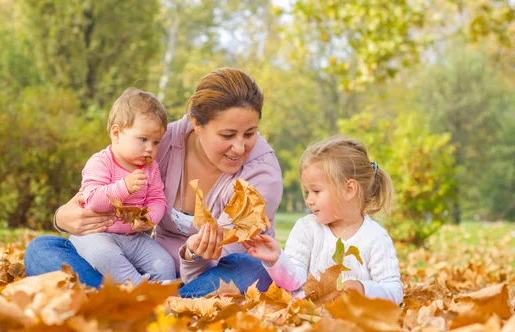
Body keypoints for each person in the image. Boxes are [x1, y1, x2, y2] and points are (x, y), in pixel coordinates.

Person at [24, 68, 283, 297]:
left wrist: (191, 255)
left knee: (250, 270)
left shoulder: (262, 175)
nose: (239, 147)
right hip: (140, 269)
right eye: (227, 135)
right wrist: (62, 217)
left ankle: (126, 302)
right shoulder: (159, 142)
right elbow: (98, 186)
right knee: (42, 249)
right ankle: (138, 301)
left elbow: (226, 253)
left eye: (250, 133)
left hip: (208, 276)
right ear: (197, 124)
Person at [242, 136, 403, 304]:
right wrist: (276, 259)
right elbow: (293, 282)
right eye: (307, 192)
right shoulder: (306, 228)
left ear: (349, 189)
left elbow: (394, 290)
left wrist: (363, 289)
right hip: (308, 317)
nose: (308, 200)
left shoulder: (375, 237)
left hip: (354, 322)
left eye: (316, 191)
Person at [68, 88, 176, 285]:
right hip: (96, 235)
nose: (149, 148)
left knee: (165, 264)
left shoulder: (151, 169)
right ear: (116, 133)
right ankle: (137, 289)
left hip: (133, 237)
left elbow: (157, 199)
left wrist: (149, 218)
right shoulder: (101, 162)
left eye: (155, 142)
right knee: (105, 255)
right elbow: (93, 201)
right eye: (143, 139)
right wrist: (124, 187)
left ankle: (163, 293)